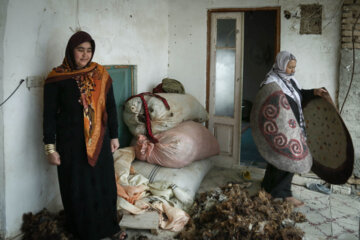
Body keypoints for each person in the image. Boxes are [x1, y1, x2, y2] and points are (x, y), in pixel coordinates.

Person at [43, 31, 127, 240]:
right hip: (71, 143)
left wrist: (114, 136)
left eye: (89, 50)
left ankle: (110, 228)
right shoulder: (57, 78)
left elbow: (110, 107)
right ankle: (84, 232)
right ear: (71, 51)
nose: (85, 55)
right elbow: (49, 115)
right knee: (77, 188)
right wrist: (50, 147)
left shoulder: (100, 74)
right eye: (80, 50)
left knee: (104, 184)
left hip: (99, 139)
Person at [260, 51, 327, 207]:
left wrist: (314, 92)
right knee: (286, 159)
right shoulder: (271, 82)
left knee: (281, 159)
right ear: (281, 65)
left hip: (294, 127)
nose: (292, 70)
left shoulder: (291, 81)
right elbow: (267, 103)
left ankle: (267, 188)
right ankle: (284, 195)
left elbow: (300, 95)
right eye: (290, 67)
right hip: (280, 128)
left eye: (294, 67)